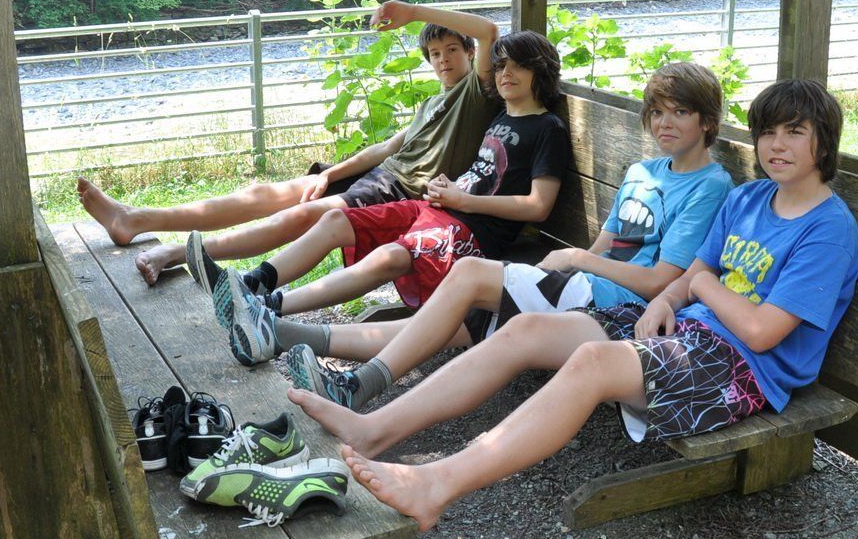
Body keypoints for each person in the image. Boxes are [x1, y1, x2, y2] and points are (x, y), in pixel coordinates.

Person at [290, 78, 858, 531]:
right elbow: (690, 276)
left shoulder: (828, 230)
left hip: (743, 369)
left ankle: (436, 484)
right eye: (768, 133)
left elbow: (760, 331)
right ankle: (373, 430)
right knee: (529, 329)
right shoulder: (751, 198)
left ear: (824, 142)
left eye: (795, 133)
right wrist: (668, 298)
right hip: (687, 333)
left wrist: (701, 288)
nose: (776, 146)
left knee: (591, 362)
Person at [237, 62, 736, 411]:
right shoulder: (642, 172)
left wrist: (574, 259)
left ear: (708, 122)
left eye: (680, 113)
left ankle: (356, 383)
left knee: (471, 275)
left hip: (621, 307)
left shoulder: (709, 186)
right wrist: (573, 262)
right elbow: (606, 245)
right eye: (657, 112)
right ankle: (286, 335)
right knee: (465, 321)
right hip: (586, 286)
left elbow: (659, 281)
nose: (664, 123)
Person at [192, 30, 572, 360]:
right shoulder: (500, 117)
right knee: (336, 219)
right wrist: (449, 188)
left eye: (517, 67)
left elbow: (538, 206)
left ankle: (268, 308)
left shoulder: (547, 128)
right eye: (500, 66)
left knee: (392, 256)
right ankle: (254, 282)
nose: (505, 74)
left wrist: (463, 200)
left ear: (540, 71)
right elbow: (485, 175)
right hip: (440, 207)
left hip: (474, 232)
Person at [77, 0, 499, 285]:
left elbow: (488, 29)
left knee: (303, 215)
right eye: (435, 53)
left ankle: (179, 253)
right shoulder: (432, 102)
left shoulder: (476, 93)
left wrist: (413, 13)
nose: (443, 59)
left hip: (400, 192)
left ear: (469, 53)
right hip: (381, 175)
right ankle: (136, 219)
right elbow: (386, 149)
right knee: (267, 193)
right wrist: (329, 174)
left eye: (452, 50)